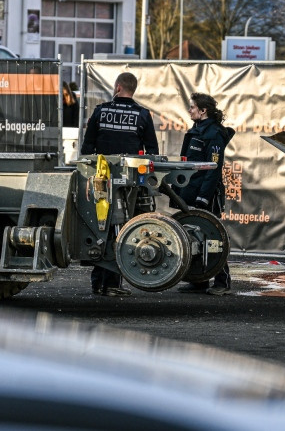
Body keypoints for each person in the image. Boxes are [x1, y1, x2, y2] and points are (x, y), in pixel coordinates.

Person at [79, 71, 159, 297]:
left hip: (100, 181)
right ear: (133, 90)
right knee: (122, 229)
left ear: (117, 88)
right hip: (129, 185)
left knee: (99, 227)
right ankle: (113, 283)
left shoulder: (100, 110)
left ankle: (98, 283)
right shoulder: (142, 114)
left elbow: (87, 148)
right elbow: (152, 152)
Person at [178, 92, 236, 296]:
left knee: (213, 235)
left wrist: (204, 197)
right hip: (192, 191)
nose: (189, 110)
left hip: (207, 194)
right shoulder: (197, 130)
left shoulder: (214, 133)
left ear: (203, 111)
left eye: (192, 107)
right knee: (196, 235)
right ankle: (200, 280)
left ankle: (223, 282)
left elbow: (213, 168)